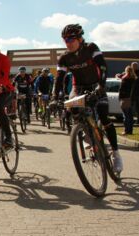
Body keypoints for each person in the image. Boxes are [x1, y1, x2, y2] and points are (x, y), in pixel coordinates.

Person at [53, 23, 123, 172]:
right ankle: (86, 133)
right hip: (79, 88)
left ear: (79, 38)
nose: (68, 42)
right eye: (65, 40)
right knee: (72, 106)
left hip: (97, 85)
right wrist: (55, 97)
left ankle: (116, 154)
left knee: (104, 117)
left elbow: (103, 67)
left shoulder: (91, 48)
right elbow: (59, 79)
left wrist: (101, 86)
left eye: (71, 39)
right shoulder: (64, 57)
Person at [118, 66, 136, 135]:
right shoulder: (133, 79)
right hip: (130, 99)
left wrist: (120, 97)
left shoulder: (125, 80)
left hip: (125, 98)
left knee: (126, 115)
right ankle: (130, 130)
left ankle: (126, 130)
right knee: (130, 116)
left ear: (126, 71)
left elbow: (122, 90)